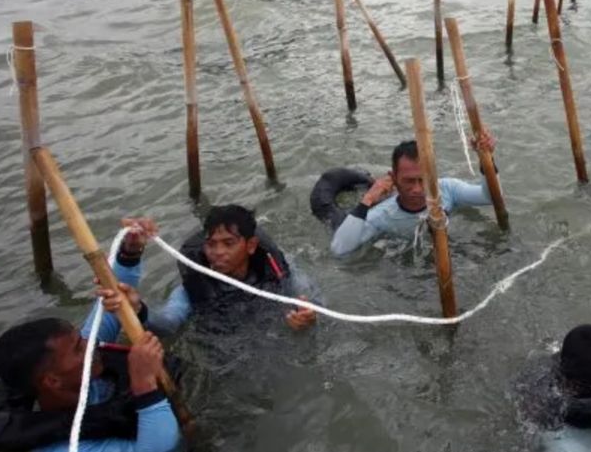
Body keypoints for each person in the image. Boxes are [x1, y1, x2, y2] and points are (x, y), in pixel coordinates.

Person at [0, 316, 180, 452]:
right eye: (79, 348)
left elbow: (108, 306)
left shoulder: (76, 367)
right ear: (52, 381)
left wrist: (126, 300)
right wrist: (144, 384)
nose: (91, 345)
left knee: (174, 314)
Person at [106, 206, 318, 335]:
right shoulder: (192, 286)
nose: (217, 252)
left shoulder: (277, 267)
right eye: (211, 244)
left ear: (251, 245)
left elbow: (313, 301)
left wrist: (307, 317)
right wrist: (137, 309)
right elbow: (169, 323)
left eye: (228, 243)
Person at [329, 134, 498, 257]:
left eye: (422, 180)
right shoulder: (382, 216)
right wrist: (367, 200)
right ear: (393, 178)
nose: (417, 189)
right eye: (409, 181)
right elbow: (340, 249)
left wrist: (486, 159)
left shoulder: (447, 189)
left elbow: (489, 197)